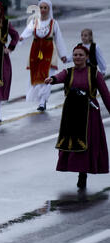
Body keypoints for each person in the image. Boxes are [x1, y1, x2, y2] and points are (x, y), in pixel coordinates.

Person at [45, 45, 110, 189]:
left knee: (87, 144)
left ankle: (83, 173)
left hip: (89, 113)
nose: (77, 57)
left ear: (87, 57)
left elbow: (105, 94)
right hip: (72, 113)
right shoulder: (68, 72)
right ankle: (78, 171)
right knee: (73, 143)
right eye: (75, 55)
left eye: (80, 55)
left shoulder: (94, 73)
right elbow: (59, 77)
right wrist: (52, 79)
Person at [19, 0, 67, 111]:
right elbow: (27, 31)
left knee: (47, 75)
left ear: (49, 9)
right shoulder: (34, 21)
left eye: (45, 8)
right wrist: (22, 38)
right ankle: (39, 98)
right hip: (36, 52)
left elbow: (59, 39)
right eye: (41, 7)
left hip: (49, 52)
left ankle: (43, 101)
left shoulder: (53, 23)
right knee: (36, 75)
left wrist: (63, 55)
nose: (43, 10)